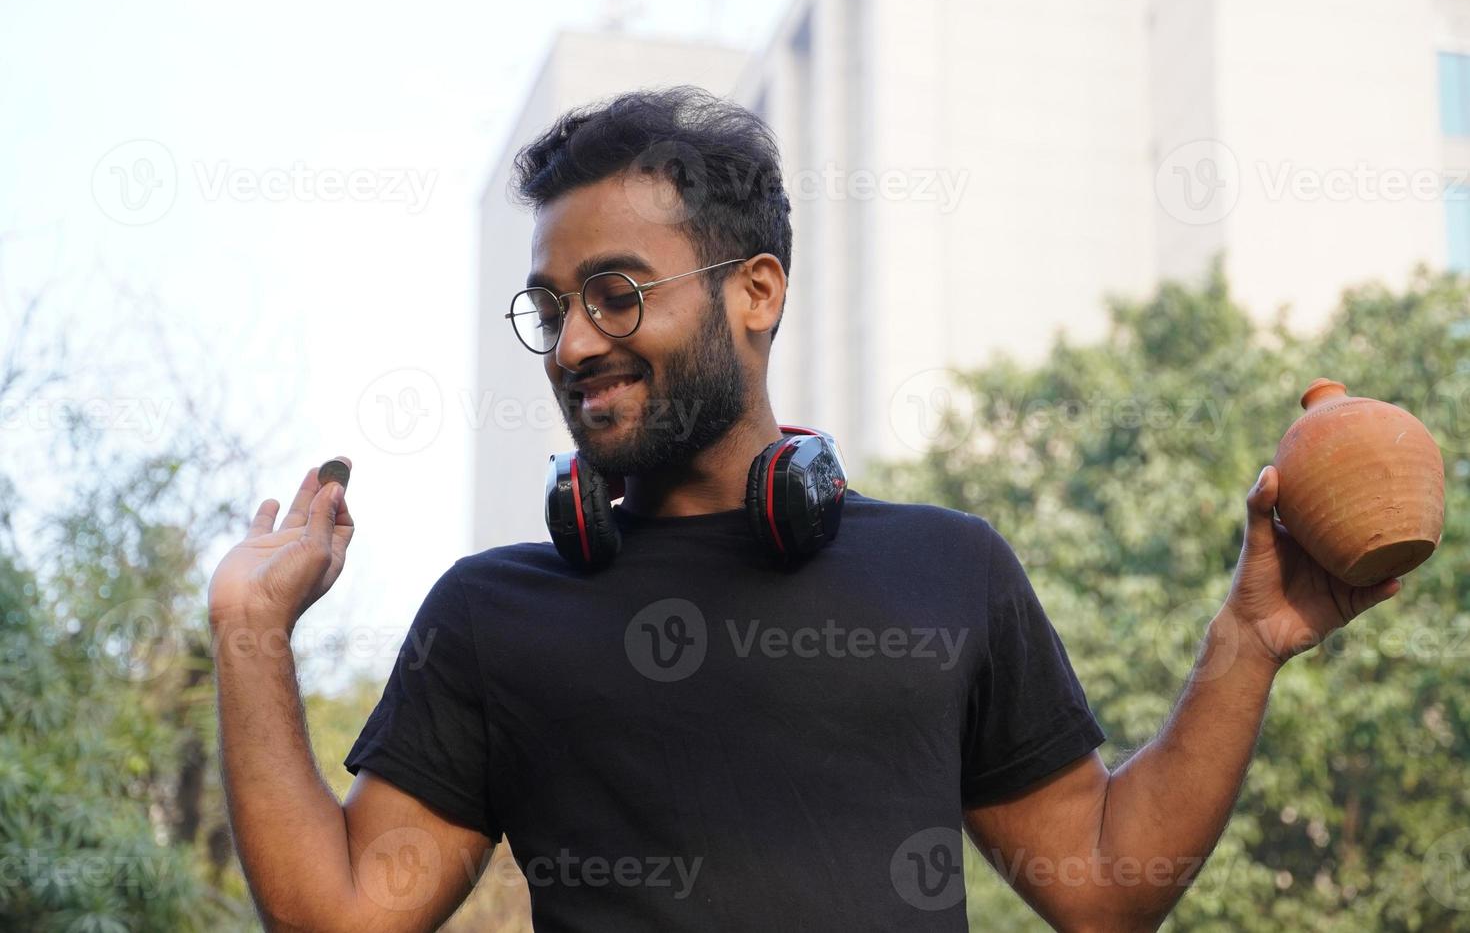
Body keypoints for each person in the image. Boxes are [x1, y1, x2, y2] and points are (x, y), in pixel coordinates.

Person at [207, 87, 1403, 932]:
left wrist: (1247, 640)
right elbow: (345, 917)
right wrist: (251, 632)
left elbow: (1103, 884)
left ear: (756, 292)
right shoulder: (491, 613)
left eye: (618, 295)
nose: (574, 342)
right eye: (552, 307)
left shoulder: (950, 567)